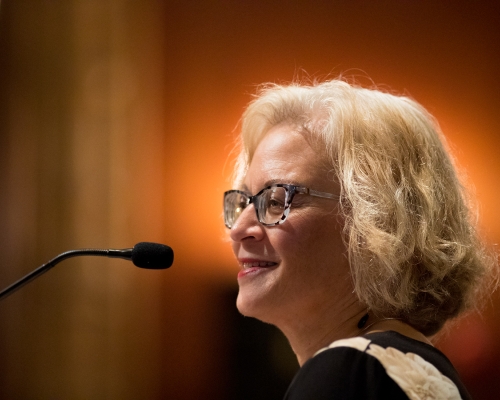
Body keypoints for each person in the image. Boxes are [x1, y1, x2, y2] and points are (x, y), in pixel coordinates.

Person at [223, 78, 497, 399]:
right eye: (243, 201)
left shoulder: (349, 374)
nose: (239, 228)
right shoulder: (399, 368)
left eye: (276, 200)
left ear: (377, 219)